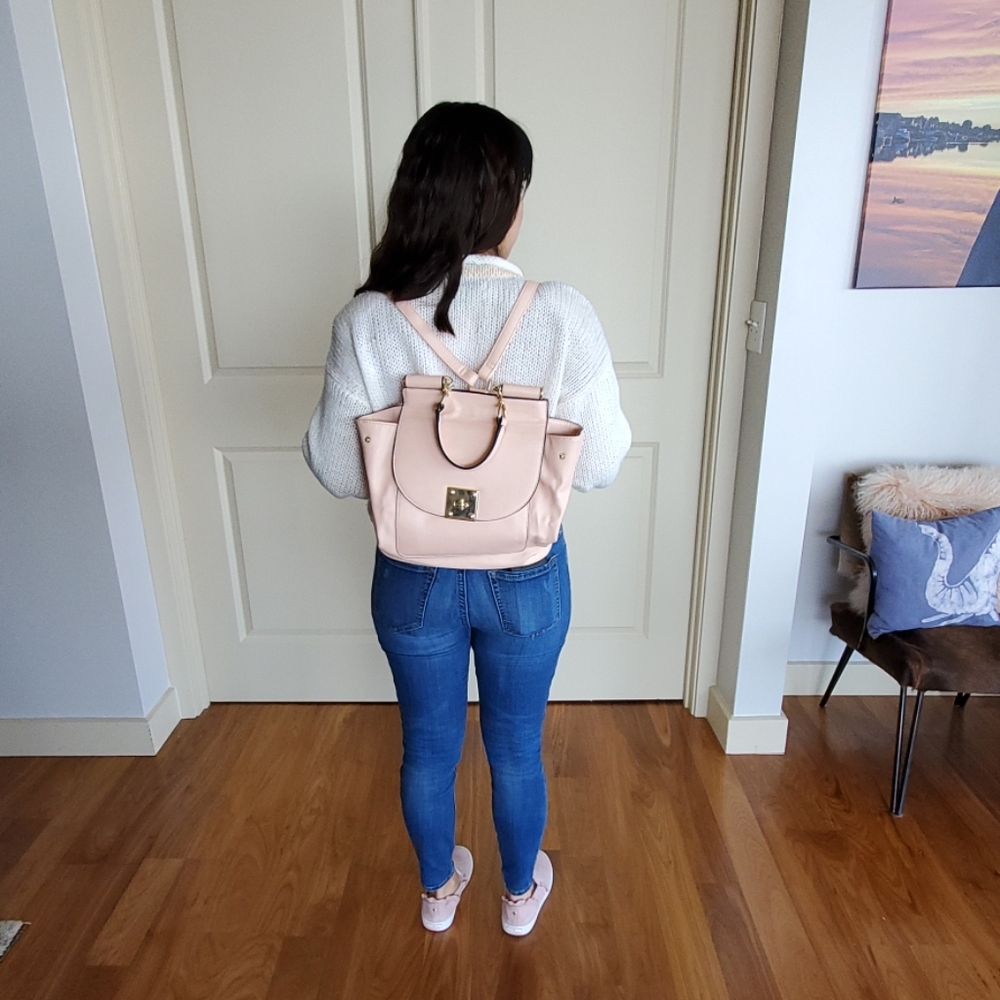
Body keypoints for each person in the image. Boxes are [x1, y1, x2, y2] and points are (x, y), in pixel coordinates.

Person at [302, 102, 631, 936]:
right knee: (516, 747)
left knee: (428, 748)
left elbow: (339, 472)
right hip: (524, 573)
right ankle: (521, 897)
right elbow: (601, 463)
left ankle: (439, 892)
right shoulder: (562, 313)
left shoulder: (368, 318)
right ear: (506, 199)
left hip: (413, 576)